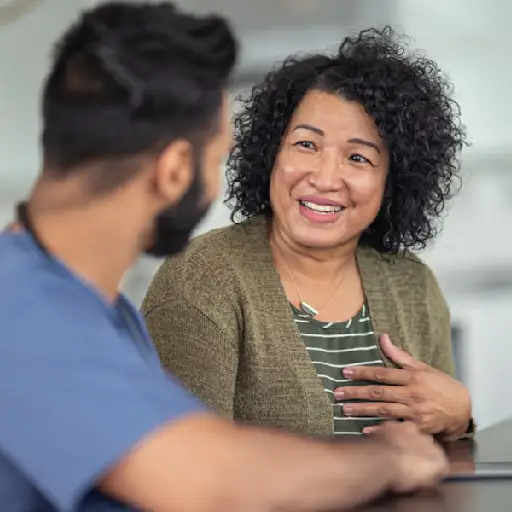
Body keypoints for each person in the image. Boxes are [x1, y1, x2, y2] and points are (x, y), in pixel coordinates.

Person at [0, 4, 448, 512]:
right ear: (174, 171)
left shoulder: (99, 315)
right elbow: (212, 482)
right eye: (218, 158)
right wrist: (389, 460)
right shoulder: (21, 312)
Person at [142, 26, 473, 440]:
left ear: (394, 180)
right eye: (305, 145)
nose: (324, 177)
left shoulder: (413, 284)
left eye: (358, 157)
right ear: (271, 153)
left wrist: (460, 418)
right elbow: (184, 468)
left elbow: (449, 466)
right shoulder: (202, 279)